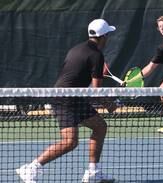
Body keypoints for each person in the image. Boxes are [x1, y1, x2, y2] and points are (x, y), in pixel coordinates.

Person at [16, 19, 117, 183]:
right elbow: (96, 91)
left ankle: (93, 172)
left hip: (72, 96)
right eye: (108, 35)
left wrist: (109, 102)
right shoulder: (97, 55)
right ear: (104, 36)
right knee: (70, 142)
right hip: (64, 100)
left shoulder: (76, 48)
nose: (109, 38)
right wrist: (111, 104)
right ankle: (31, 168)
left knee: (100, 126)